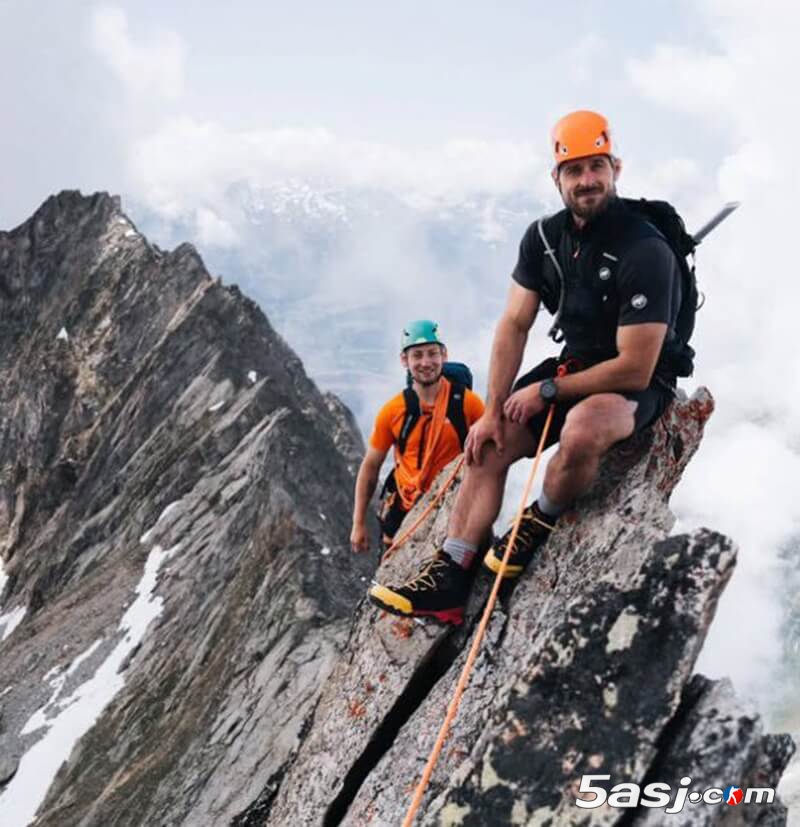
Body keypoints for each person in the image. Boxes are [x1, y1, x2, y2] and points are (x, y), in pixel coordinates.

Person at [369, 111, 686, 625]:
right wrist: (493, 410)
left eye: (596, 167)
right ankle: (452, 574)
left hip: (637, 382)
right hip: (571, 365)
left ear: (616, 168)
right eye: (574, 169)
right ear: (556, 178)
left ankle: (540, 519)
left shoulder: (644, 249)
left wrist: (548, 391)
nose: (586, 180)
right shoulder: (543, 239)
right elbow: (514, 324)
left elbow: (635, 366)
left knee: (582, 431)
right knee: (485, 444)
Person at [350, 320, 485, 554]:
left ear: (444, 354)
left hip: (453, 506)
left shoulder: (468, 404)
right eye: (417, 355)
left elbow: (491, 454)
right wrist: (358, 523)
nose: (426, 362)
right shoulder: (393, 411)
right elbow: (370, 467)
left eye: (433, 354)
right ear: (405, 360)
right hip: (404, 509)